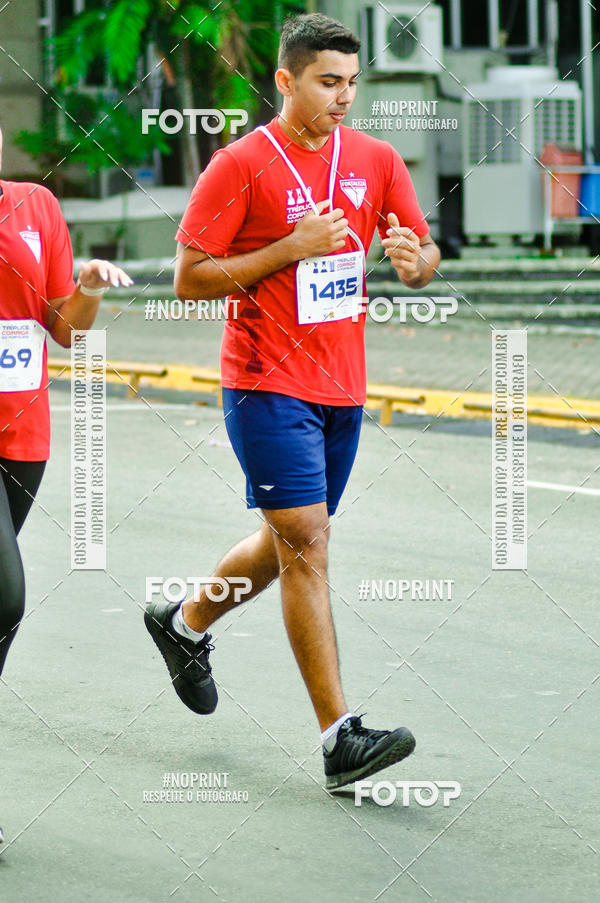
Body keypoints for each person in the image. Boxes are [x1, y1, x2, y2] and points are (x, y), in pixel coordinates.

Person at [145, 12, 440, 790]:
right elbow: (188, 279)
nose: (344, 97)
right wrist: (288, 249)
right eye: (327, 82)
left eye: (351, 83)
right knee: (306, 540)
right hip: (264, 382)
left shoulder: (374, 159)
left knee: (291, 544)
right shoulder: (239, 165)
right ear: (285, 80)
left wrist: (416, 259)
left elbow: (423, 247)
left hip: (342, 387)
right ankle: (340, 737)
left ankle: (182, 623)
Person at [0, 124, 133, 682]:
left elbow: (63, 328)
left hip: (23, 432)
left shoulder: (36, 205)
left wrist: (90, 290)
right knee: (6, 596)